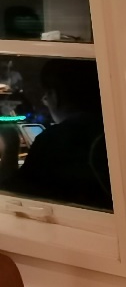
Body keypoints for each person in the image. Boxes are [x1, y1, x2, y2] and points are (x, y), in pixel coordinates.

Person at [0, 58, 111, 210]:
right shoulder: (112, 128)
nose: (44, 100)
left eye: (46, 94)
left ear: (54, 95)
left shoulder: (56, 140)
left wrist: (10, 146)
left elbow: (11, 198)